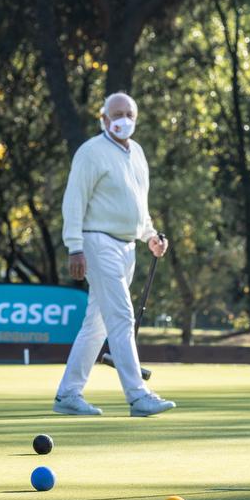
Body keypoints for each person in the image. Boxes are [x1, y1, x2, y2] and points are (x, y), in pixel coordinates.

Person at [54, 92, 175, 417]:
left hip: (127, 247)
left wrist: (150, 236)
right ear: (104, 119)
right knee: (122, 317)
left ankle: (68, 394)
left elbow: (139, 206)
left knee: (96, 325)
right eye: (117, 114)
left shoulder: (136, 152)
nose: (124, 119)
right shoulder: (91, 152)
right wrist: (74, 246)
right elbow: (74, 201)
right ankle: (138, 396)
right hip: (97, 242)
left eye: (129, 114)